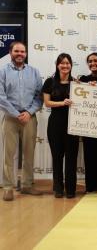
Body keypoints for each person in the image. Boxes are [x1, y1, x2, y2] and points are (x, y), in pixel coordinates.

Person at [0, 41, 43, 201]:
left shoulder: (34, 72)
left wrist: (28, 112)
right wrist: (16, 113)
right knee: (8, 155)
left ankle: (26, 185)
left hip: (29, 118)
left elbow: (39, 97)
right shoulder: (3, 72)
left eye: (22, 52)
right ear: (11, 52)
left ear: (26, 54)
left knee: (29, 154)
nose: (20, 54)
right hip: (11, 118)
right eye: (16, 51)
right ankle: (8, 187)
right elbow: (1, 97)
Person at [42, 53, 79, 198]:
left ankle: (71, 189)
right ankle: (58, 188)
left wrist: (91, 87)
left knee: (71, 158)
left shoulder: (76, 83)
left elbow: (86, 97)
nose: (65, 65)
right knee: (57, 157)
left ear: (71, 65)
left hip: (72, 125)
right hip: (55, 124)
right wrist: (62, 103)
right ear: (57, 65)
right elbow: (47, 103)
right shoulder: (49, 82)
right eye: (62, 63)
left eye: (67, 63)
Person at [79, 52, 97, 193]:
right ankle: (90, 185)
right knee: (89, 154)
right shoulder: (84, 79)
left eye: (96, 61)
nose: (93, 63)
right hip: (89, 124)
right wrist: (81, 85)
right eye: (90, 61)